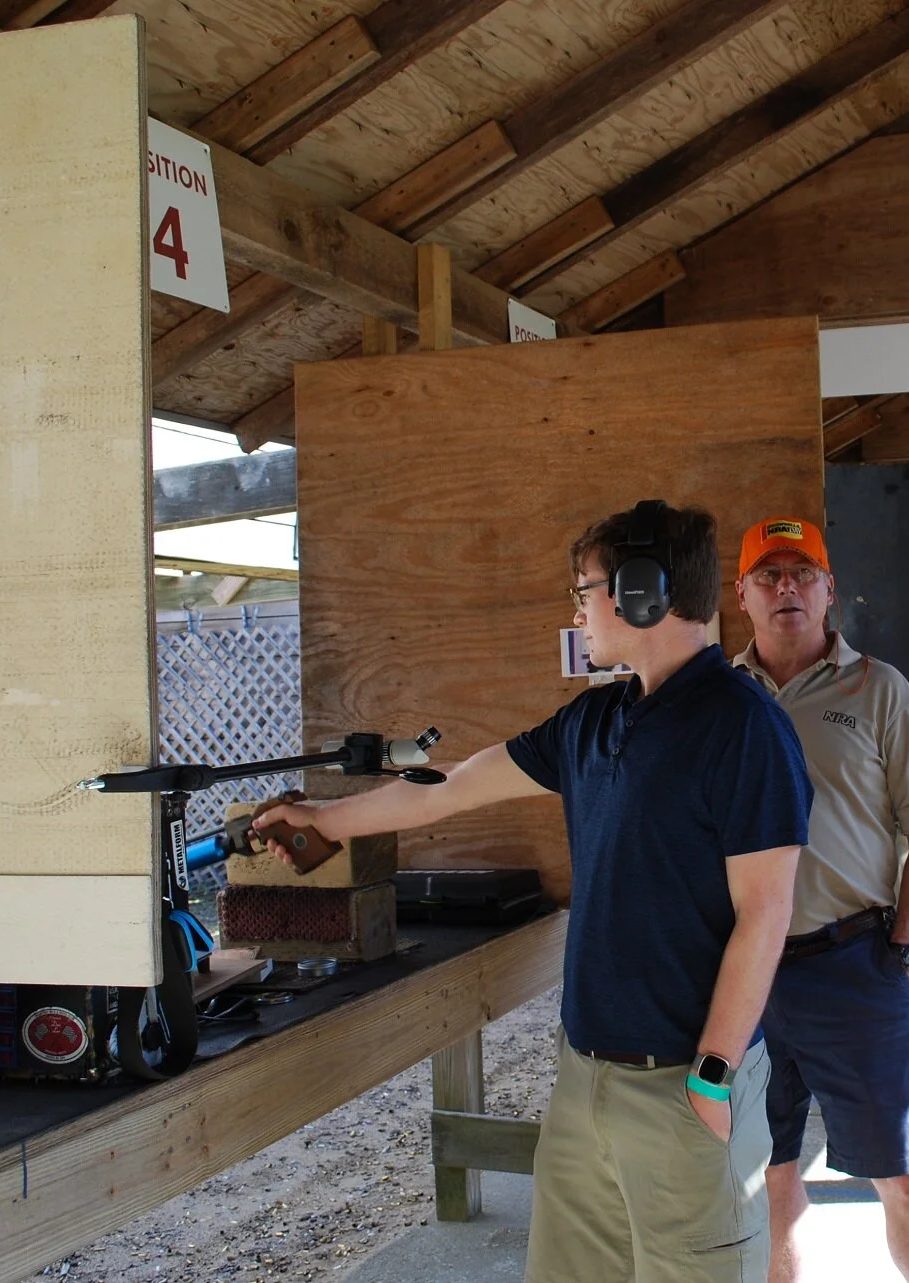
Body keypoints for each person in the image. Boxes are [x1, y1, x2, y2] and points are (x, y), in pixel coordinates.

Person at [256, 501, 812, 1283]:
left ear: (641, 590)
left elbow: (766, 911)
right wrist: (324, 820)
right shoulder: (593, 721)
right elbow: (447, 789)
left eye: (584, 589)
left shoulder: (743, 726)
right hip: (586, 1075)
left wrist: (713, 1073)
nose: (577, 608)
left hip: (685, 1082)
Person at [728, 516, 909, 1283]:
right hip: (742, 975)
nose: (785, 587)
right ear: (742, 595)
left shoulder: (880, 689)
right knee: (768, 1171)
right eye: (768, 574)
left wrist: (906, 947)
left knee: (904, 1171)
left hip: (851, 962)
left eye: (802, 572)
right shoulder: (716, 698)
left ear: (830, 590)